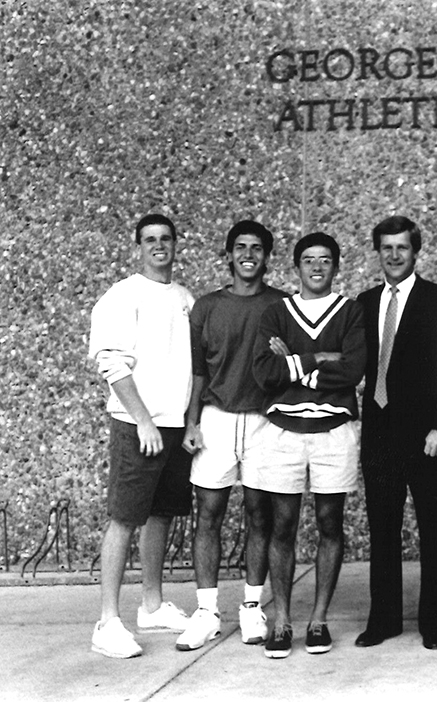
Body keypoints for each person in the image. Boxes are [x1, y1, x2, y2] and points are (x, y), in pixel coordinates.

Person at [251, 232, 366, 659]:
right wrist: (319, 358)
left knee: (329, 522)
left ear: (336, 266)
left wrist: (293, 364)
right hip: (283, 431)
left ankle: (318, 620)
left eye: (325, 260)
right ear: (296, 267)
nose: (316, 267)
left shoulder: (350, 311)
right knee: (282, 524)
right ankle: (281, 621)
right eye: (308, 260)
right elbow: (264, 373)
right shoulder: (276, 312)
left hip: (334, 431)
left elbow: (353, 369)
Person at [174, 220, 287, 651]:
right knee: (210, 514)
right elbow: (199, 373)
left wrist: (288, 355)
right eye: (240, 247)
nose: (248, 255)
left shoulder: (282, 305)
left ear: (266, 256)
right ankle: (207, 613)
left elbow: (292, 367)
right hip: (217, 418)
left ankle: (252, 607)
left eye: (257, 248)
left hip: (264, 420)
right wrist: (191, 422)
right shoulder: (205, 307)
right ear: (228, 254)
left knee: (260, 514)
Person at [88, 213, 194, 658]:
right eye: (150, 239)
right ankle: (106, 622)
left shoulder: (186, 297)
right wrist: (144, 420)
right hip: (138, 425)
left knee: (161, 515)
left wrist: (184, 422)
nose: (158, 246)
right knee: (125, 517)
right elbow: (111, 363)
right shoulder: (122, 295)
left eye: (166, 238)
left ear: (175, 244)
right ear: (138, 247)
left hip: (174, 425)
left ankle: (151, 606)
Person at [355, 216, 437, 651]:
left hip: (427, 434)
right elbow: (352, 359)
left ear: (416, 252)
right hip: (379, 431)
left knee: (434, 528)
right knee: (383, 527)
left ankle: (435, 621)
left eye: (402, 247)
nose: (394, 255)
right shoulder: (365, 301)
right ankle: (385, 619)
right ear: (377, 253)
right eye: (386, 248)